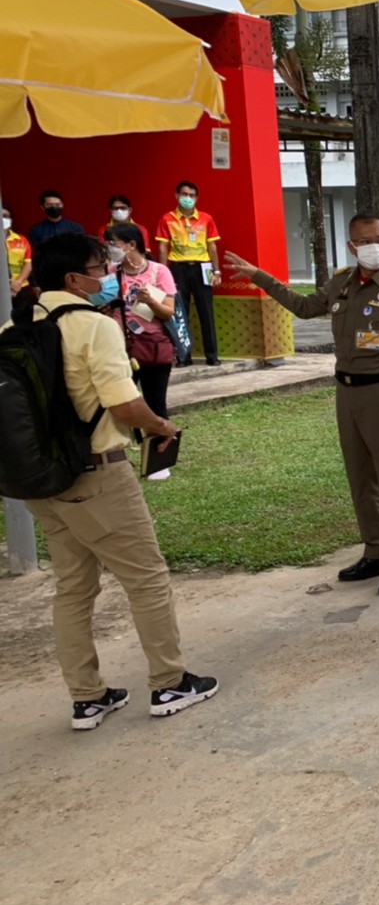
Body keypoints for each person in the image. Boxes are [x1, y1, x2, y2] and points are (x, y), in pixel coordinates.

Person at [11, 234, 216, 729]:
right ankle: (169, 682)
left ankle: (88, 697)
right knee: (147, 578)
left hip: (44, 482)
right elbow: (124, 404)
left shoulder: (14, 328)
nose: (108, 275)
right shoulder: (93, 327)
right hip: (98, 474)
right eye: (99, 268)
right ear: (72, 279)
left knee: (73, 588)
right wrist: (162, 427)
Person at [224, 215, 379, 595]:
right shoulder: (341, 284)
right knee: (360, 478)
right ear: (352, 246)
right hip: (347, 392)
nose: (375, 246)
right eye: (366, 241)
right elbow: (304, 307)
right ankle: (378, 550)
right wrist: (260, 277)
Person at [106, 224, 177, 477]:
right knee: (119, 404)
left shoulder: (159, 271)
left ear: (131, 244)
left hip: (154, 346)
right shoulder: (111, 273)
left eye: (114, 243)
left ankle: (158, 464)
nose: (110, 248)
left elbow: (168, 312)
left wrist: (150, 301)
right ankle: (121, 461)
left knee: (155, 403)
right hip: (120, 348)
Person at [155, 181, 222, 366]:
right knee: (180, 313)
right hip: (178, 268)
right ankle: (184, 357)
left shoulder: (206, 218)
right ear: (177, 196)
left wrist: (216, 271)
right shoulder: (167, 219)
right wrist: (162, 274)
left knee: (206, 311)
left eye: (192, 195)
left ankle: (212, 356)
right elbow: (162, 248)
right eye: (184, 194)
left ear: (197, 198)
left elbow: (212, 246)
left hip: (204, 267)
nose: (188, 198)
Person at [5, 206, 33, 295]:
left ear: (10, 220)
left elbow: (28, 263)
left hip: (21, 286)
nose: (2, 219)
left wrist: (18, 283)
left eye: (5, 216)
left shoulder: (22, 240)